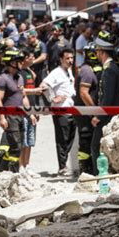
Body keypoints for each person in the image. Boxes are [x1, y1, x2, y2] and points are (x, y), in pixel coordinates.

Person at [41, 48, 77, 176]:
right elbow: (43, 85)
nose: (70, 61)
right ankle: (62, 167)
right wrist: (52, 98)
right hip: (60, 111)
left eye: (71, 58)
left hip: (71, 109)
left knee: (70, 139)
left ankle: (65, 164)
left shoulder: (69, 71)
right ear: (61, 59)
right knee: (62, 140)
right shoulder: (56, 73)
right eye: (67, 58)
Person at [0, 49, 28, 173]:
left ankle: (0, 167)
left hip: (20, 116)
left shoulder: (19, 78)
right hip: (10, 116)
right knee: (15, 146)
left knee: (18, 145)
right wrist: (2, 118)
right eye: (19, 61)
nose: (22, 63)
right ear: (11, 62)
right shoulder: (3, 79)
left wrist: (30, 113)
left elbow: (22, 96)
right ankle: (13, 172)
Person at [93, 30, 119, 174]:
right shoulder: (110, 68)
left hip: (107, 117)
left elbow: (108, 97)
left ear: (101, 52)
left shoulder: (110, 70)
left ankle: (100, 179)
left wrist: (99, 116)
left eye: (97, 50)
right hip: (109, 115)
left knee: (96, 148)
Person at [74, 42, 101, 175]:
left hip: (85, 113)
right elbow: (84, 93)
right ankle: (85, 170)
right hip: (85, 115)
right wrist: (95, 112)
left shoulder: (87, 69)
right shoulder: (87, 71)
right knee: (85, 141)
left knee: (88, 140)